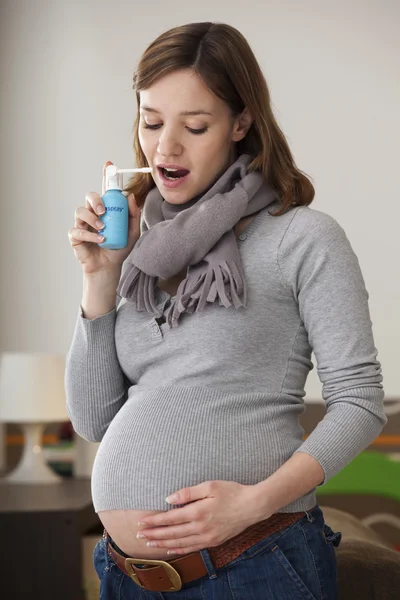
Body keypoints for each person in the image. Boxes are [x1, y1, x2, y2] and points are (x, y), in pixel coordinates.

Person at [65, 21, 386, 599]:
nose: (165, 148)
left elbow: (360, 403)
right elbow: (94, 421)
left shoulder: (302, 238)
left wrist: (251, 503)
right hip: (125, 576)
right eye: (151, 121)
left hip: (254, 563)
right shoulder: (137, 248)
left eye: (194, 125)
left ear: (241, 123)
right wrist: (101, 279)